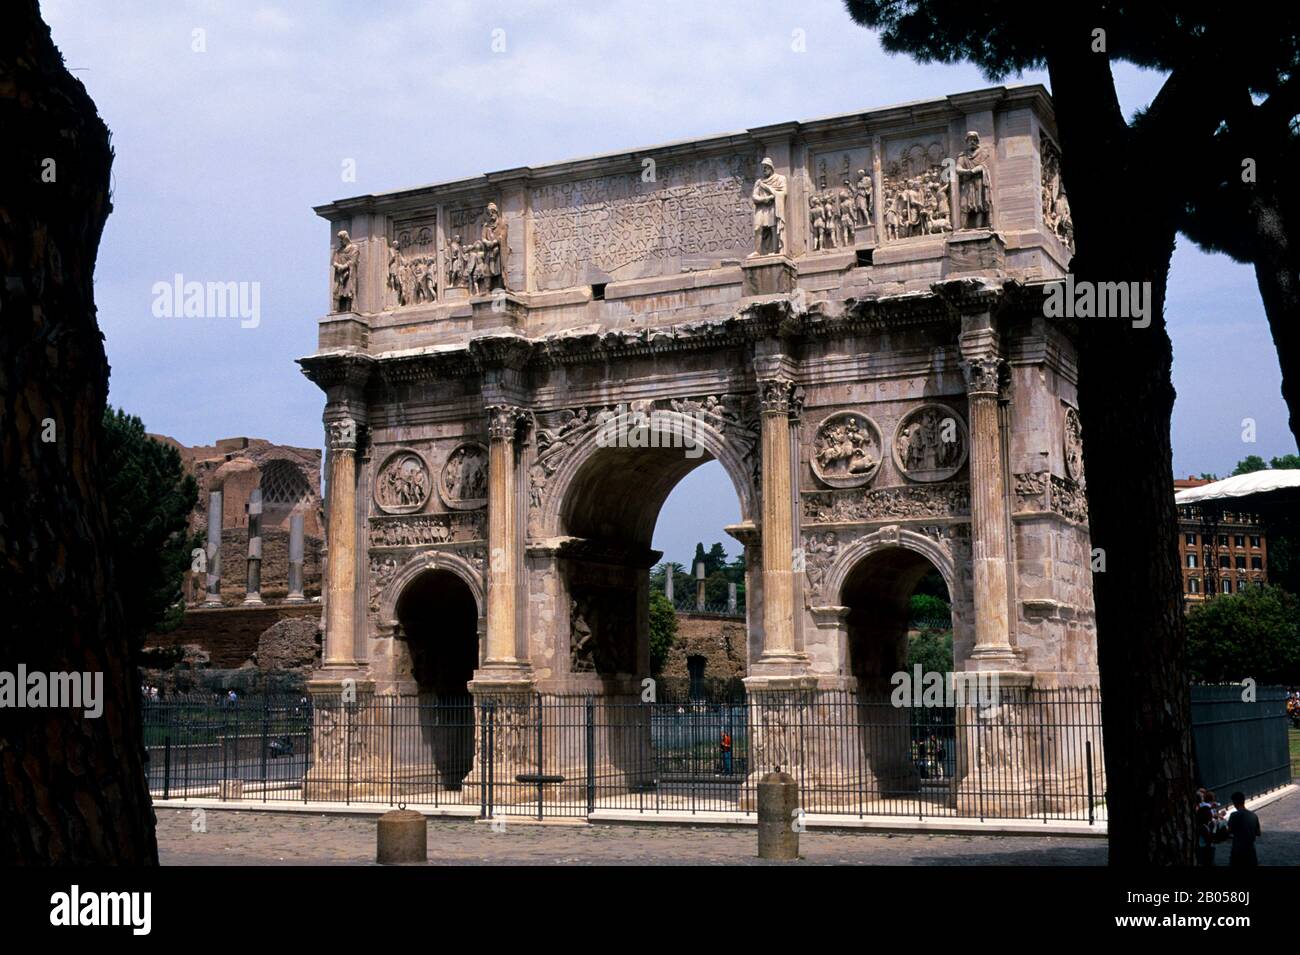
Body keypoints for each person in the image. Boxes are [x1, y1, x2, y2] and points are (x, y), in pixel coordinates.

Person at [1226, 791, 1261, 866]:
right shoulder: (1254, 815)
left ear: (1235, 802)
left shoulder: (1234, 815)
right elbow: (1258, 833)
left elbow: (1228, 832)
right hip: (1251, 850)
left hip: (1238, 850)